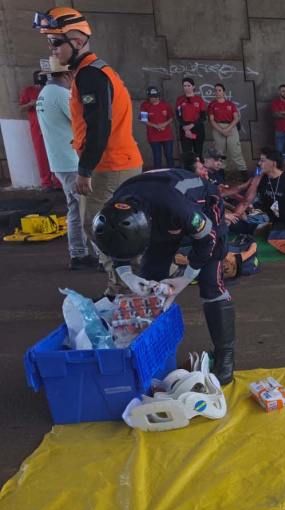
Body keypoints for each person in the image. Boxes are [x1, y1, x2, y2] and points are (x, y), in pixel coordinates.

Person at [91, 168, 236, 386]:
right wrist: (126, 274)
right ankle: (152, 350)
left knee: (210, 281)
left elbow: (208, 239)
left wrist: (186, 277)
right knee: (150, 281)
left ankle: (226, 355)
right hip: (159, 214)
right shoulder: (112, 211)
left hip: (202, 205)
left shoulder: (178, 208)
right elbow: (115, 244)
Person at [37, 7, 144, 299]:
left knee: (99, 225)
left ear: (77, 41)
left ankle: (122, 289)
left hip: (110, 164)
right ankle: (131, 283)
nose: (52, 49)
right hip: (117, 160)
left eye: (56, 42)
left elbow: (99, 127)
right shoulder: (93, 72)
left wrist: (85, 171)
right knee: (121, 224)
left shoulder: (90, 75)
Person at [36, 56, 95, 269]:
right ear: (68, 74)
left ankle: (78, 254)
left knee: (76, 210)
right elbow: (83, 120)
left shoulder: (45, 93)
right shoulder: (61, 94)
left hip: (60, 160)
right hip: (72, 161)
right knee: (88, 210)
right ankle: (101, 256)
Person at [19, 70, 57, 189]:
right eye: (38, 84)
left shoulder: (51, 90)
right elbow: (21, 108)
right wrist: (30, 104)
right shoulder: (28, 91)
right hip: (37, 129)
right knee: (41, 157)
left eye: (42, 85)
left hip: (52, 128)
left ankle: (59, 182)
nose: (40, 87)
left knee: (55, 155)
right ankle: (46, 183)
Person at [206, 84, 248, 181]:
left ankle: (245, 176)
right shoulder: (212, 105)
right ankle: (221, 176)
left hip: (231, 127)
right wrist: (221, 130)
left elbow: (236, 118)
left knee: (236, 151)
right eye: (215, 90)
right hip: (218, 127)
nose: (217, 92)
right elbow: (211, 120)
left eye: (219, 90)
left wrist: (227, 128)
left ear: (224, 92)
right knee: (220, 153)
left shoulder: (230, 104)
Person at [139, 87, 174, 169]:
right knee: (157, 156)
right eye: (152, 97)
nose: (154, 99)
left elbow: (171, 117)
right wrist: (155, 126)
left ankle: (172, 171)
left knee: (169, 155)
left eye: (156, 97)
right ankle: (158, 173)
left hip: (167, 135)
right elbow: (143, 120)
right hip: (153, 136)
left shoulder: (165, 105)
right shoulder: (145, 105)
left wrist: (165, 124)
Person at [175, 77, 207, 157]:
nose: (186, 88)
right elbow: (178, 115)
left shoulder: (199, 99)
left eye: (188, 86)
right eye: (184, 86)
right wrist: (185, 128)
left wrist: (192, 125)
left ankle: (199, 165)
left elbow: (203, 117)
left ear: (193, 87)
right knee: (187, 152)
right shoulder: (180, 99)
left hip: (197, 127)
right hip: (185, 128)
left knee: (198, 152)